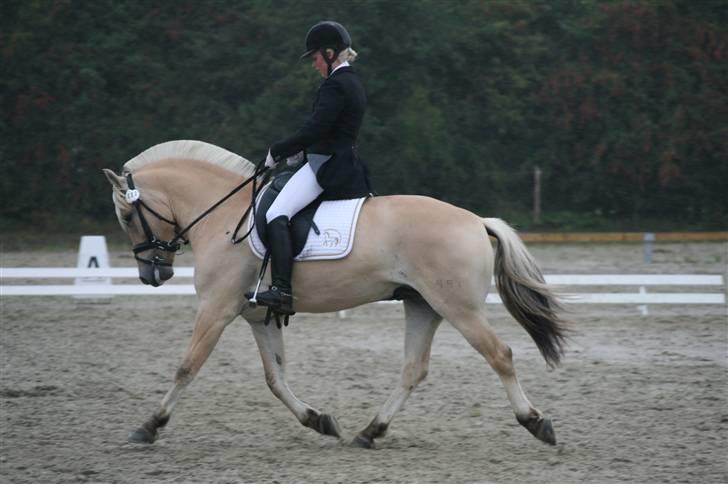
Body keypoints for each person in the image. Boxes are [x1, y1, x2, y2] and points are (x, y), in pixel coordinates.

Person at [248, 20, 371, 315]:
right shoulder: (352, 82)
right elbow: (331, 131)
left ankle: (281, 289)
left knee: (278, 213)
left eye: (315, 57)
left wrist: (276, 152)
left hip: (327, 166)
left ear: (330, 54)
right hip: (338, 159)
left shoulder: (336, 85)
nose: (314, 64)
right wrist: (301, 153)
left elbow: (315, 129)